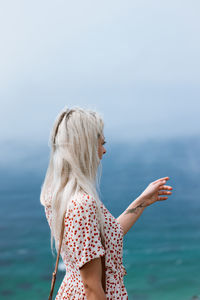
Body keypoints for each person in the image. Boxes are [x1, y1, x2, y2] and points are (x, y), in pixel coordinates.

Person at [40, 106, 173, 300]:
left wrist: (142, 201)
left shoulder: (56, 194)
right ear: (84, 148)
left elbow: (105, 237)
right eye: (100, 144)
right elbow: (92, 287)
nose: (104, 150)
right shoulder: (82, 204)